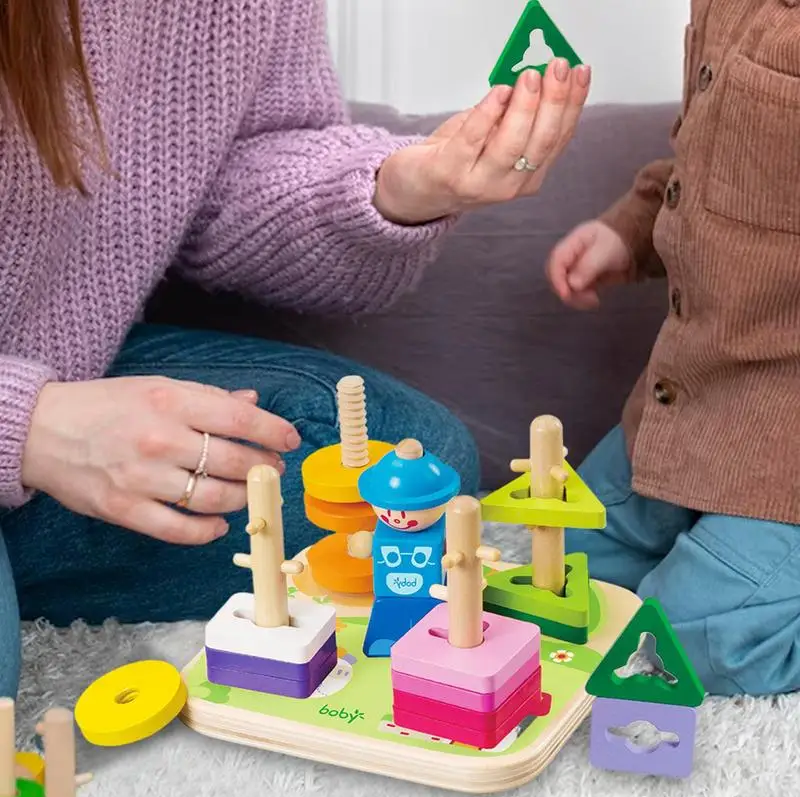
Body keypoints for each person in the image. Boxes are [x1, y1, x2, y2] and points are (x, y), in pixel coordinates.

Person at [0, 0, 591, 697]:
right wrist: (28, 429)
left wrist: (397, 190)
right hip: (26, 409)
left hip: (65, 358)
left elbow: (227, 175)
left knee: (407, 469)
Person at [546, 4, 800, 697]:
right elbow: (710, 155)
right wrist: (630, 233)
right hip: (690, 393)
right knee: (570, 565)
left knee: (686, 639)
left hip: (786, 435)